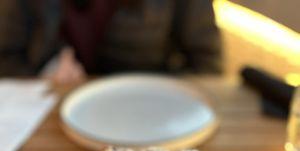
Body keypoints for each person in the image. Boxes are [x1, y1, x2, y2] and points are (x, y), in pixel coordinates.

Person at [0, 0, 222, 84]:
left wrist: (170, 91)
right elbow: (5, 58)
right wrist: (42, 75)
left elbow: (207, 63)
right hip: (57, 119)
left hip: (152, 118)